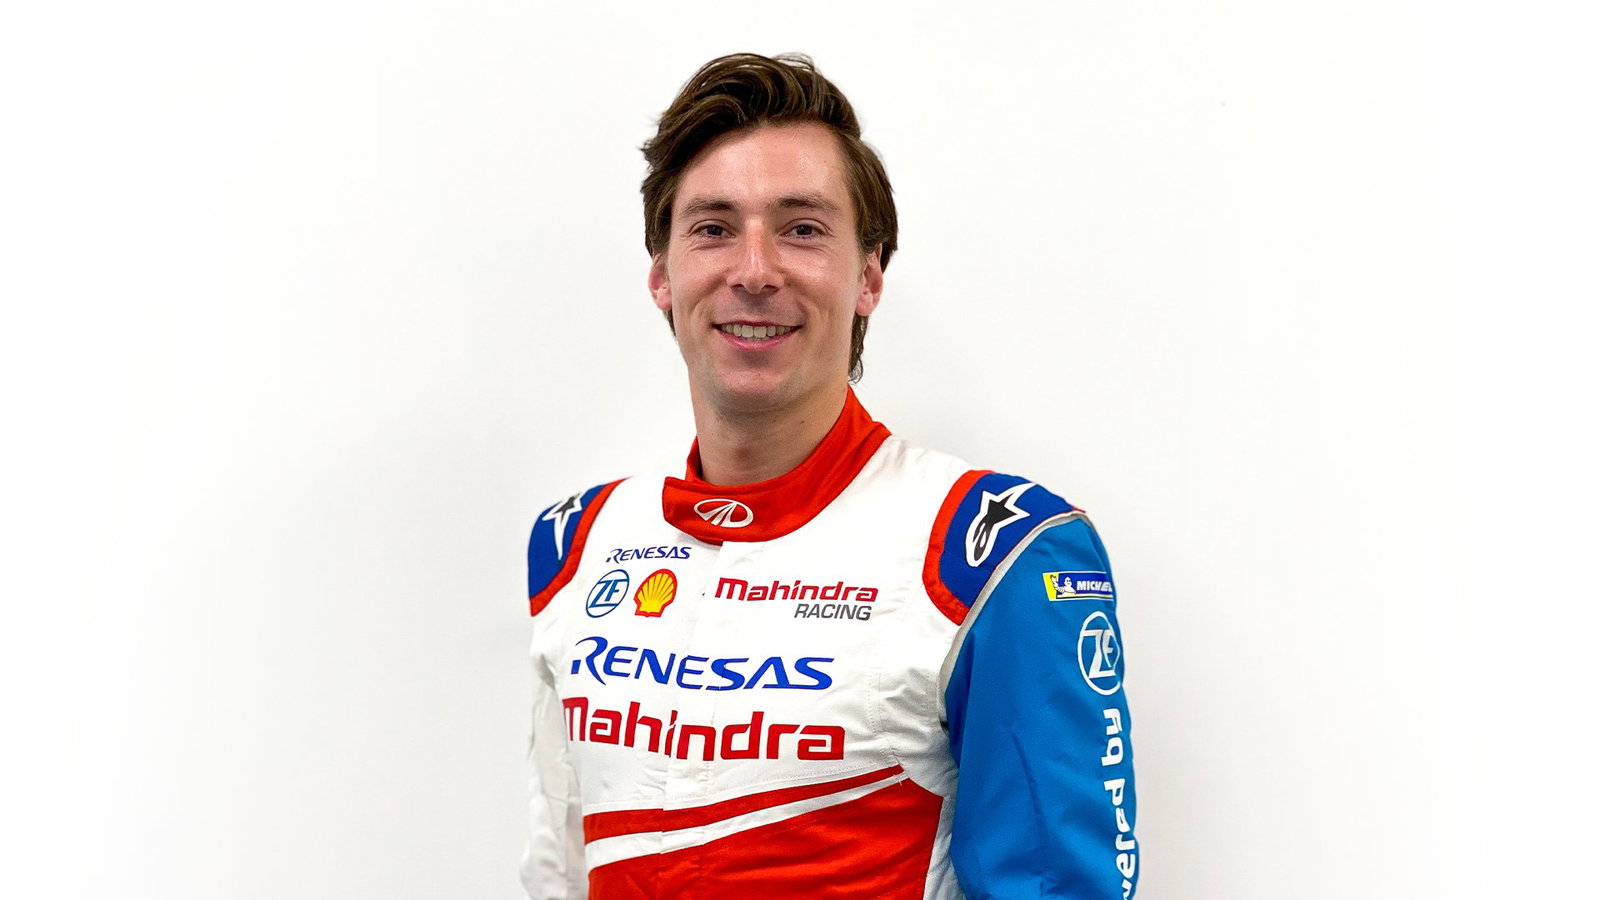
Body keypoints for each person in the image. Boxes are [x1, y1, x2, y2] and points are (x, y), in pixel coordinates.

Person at [523, 53, 1137, 899]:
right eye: (713, 228)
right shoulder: (578, 544)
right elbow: (557, 868)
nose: (754, 270)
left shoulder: (991, 553)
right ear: (663, 275)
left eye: (802, 229)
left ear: (869, 276)